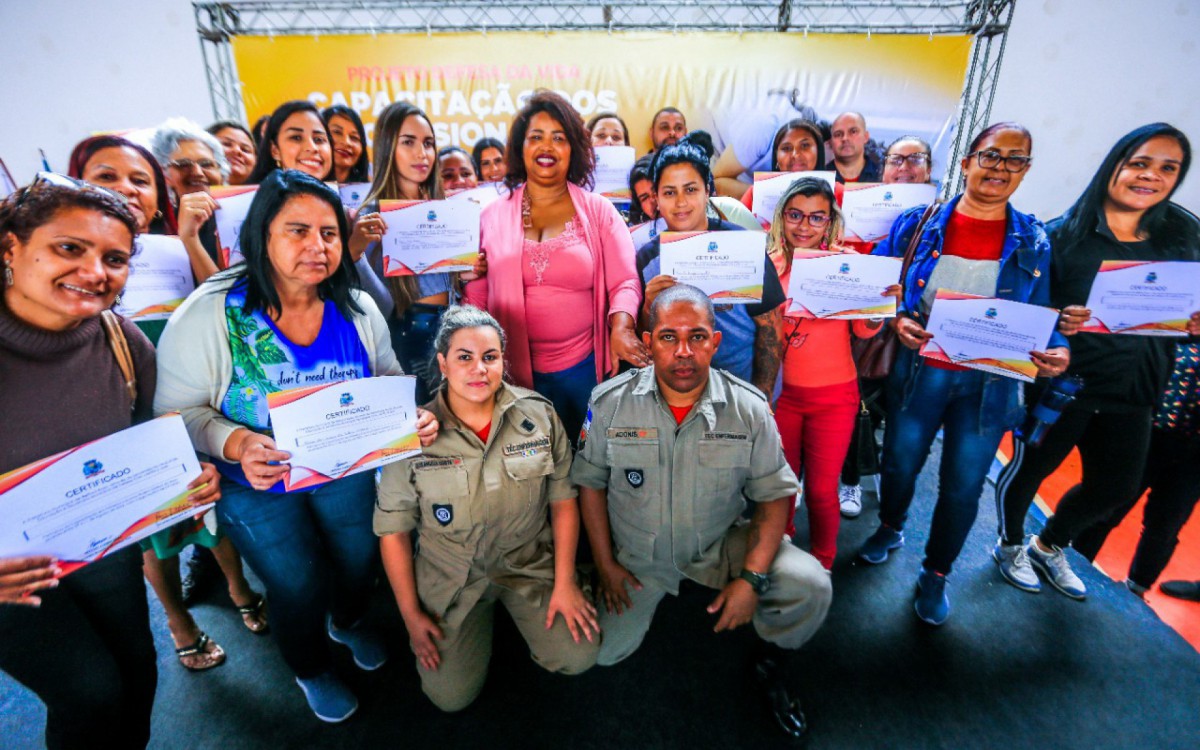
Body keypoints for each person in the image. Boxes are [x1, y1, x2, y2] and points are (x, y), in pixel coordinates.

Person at [153, 169, 439, 722]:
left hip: (346, 469)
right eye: (298, 230)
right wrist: (233, 442)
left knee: (359, 561)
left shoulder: (355, 306)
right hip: (253, 485)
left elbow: (386, 378)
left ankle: (347, 623)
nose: (318, 246)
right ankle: (309, 667)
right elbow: (175, 414)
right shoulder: (211, 313)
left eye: (330, 233)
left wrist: (414, 417)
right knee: (296, 581)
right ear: (261, 236)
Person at [0, 175, 220, 748]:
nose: (96, 272)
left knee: (138, 680)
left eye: (115, 258)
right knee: (89, 692)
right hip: (10, 580)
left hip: (100, 552)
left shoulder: (123, 341)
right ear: (10, 249)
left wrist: (188, 484)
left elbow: (155, 446)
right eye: (69, 248)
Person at [573, 284, 832, 741]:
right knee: (596, 654)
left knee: (809, 586)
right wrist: (606, 565)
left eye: (697, 337)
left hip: (717, 544)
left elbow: (775, 495)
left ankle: (772, 658)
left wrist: (751, 578)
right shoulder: (608, 402)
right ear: (648, 342)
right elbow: (590, 484)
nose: (684, 351)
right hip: (638, 555)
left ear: (716, 341)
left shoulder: (748, 408)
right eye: (669, 337)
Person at [858, 122, 1069, 626]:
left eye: (1014, 160)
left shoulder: (1035, 239)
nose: (1000, 168)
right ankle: (890, 526)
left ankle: (936, 573)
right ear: (969, 159)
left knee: (962, 484)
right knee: (900, 463)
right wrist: (900, 317)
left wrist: (1057, 349)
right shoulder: (919, 223)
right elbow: (880, 287)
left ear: (1026, 171)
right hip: (919, 369)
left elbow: (1044, 310)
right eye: (991, 156)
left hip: (991, 382)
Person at [994, 123, 1200, 600]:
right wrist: (1057, 319)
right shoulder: (1059, 237)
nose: (1151, 176)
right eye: (1140, 163)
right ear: (1116, 164)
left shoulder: (1183, 234)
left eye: (1168, 168)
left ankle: (1048, 545)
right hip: (1065, 387)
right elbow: (1022, 311)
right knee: (1030, 472)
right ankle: (1007, 546)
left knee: (1116, 488)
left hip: (1139, 390)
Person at [376, 306, 598, 711]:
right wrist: (410, 615)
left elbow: (564, 500)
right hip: (452, 575)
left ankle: (556, 595)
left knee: (578, 655)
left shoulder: (539, 415)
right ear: (442, 363)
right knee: (449, 697)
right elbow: (393, 531)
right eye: (464, 357)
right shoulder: (410, 436)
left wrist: (564, 582)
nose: (479, 369)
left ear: (502, 360)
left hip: (527, 561)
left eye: (490, 357)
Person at [464, 89, 645, 442]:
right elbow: (477, 298)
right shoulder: (490, 216)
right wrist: (466, 280)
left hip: (585, 370)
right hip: (513, 374)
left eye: (558, 138)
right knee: (535, 471)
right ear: (520, 147)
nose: (546, 147)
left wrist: (621, 327)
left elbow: (625, 282)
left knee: (590, 466)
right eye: (536, 137)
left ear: (573, 149)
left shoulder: (599, 211)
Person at [769, 177, 891, 565]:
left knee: (822, 491)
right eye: (795, 215)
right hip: (782, 398)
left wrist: (876, 309)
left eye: (816, 217)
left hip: (835, 397)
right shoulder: (768, 266)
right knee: (782, 485)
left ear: (830, 221)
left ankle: (823, 561)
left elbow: (863, 330)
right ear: (781, 217)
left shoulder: (846, 266)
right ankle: (782, 547)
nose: (804, 226)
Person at [634, 131, 784, 397]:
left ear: (708, 191)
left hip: (742, 392)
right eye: (669, 192)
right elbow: (645, 338)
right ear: (656, 198)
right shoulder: (647, 259)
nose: (681, 202)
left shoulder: (744, 245)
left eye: (691, 189)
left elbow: (770, 330)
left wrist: (763, 400)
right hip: (675, 396)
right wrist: (648, 306)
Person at [838, 134, 935, 518]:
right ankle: (851, 477)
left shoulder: (937, 217)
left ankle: (887, 490)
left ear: (930, 169)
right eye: (897, 159)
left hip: (920, 336)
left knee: (897, 417)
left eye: (916, 160)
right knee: (860, 406)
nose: (906, 167)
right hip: (868, 324)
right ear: (884, 168)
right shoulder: (856, 206)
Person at [1070, 341, 1200, 597]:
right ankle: (1073, 561)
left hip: (1195, 455)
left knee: (1166, 522)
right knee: (1109, 502)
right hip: (1149, 428)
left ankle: (1137, 590)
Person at [354, 102, 459, 402]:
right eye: (408, 142)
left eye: (428, 143)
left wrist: (467, 274)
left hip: (451, 334)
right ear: (388, 147)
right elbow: (381, 309)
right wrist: (356, 254)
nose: (421, 153)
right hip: (405, 345)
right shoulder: (369, 218)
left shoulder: (445, 211)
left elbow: (454, 289)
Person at [150, 118, 226, 274]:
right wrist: (189, 238)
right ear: (165, 175)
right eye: (183, 165)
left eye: (206, 164)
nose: (197, 172)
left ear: (221, 172)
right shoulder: (156, 226)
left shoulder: (244, 216)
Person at [738, 119, 825, 219]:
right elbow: (737, 231)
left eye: (805, 146)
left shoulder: (838, 192)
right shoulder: (757, 193)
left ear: (819, 151)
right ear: (776, 156)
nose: (795, 155)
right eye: (786, 148)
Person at [244, 100, 332, 184]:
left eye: (319, 140)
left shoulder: (343, 196)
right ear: (275, 151)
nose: (312, 147)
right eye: (296, 138)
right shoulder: (249, 198)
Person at [826, 112, 882, 183]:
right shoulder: (819, 177)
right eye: (838, 134)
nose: (845, 138)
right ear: (831, 142)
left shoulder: (882, 175)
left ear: (866, 137)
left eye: (853, 131)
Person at [322, 105, 370, 184]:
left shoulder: (370, 192)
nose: (347, 142)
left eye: (354, 137)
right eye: (337, 132)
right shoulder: (300, 187)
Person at [208, 120, 258, 186]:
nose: (237, 150)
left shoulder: (266, 194)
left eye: (245, 150)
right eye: (227, 144)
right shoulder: (192, 193)